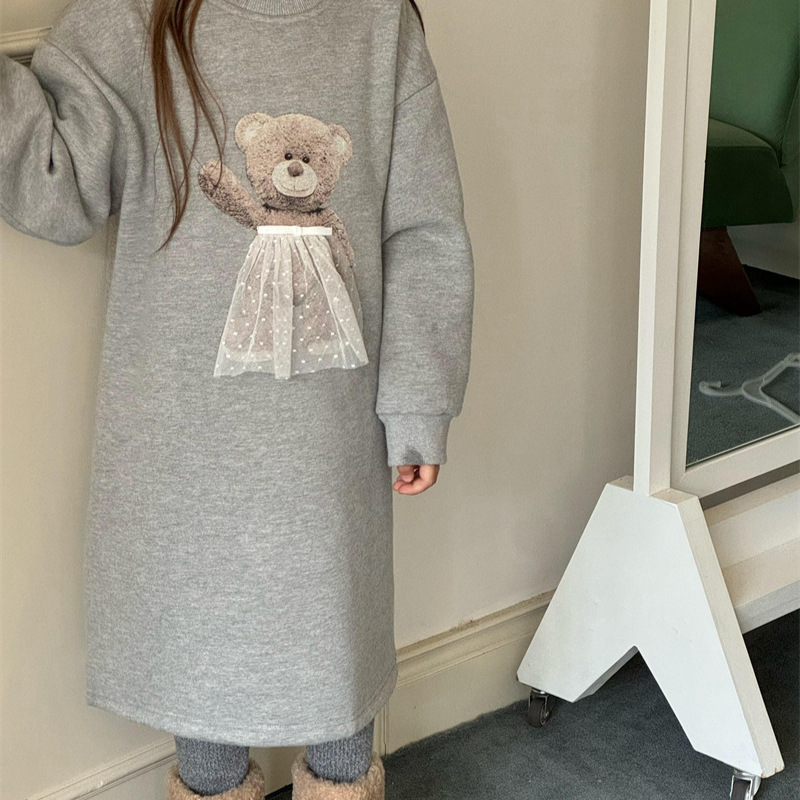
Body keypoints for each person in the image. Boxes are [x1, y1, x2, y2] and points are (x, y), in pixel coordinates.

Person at [0, 0, 474, 796]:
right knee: (200, 634)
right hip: (183, 433)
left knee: (335, 635)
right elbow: (56, 188)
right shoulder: (134, 18)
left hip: (329, 434)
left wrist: (420, 402)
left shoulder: (379, 23)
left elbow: (425, 232)